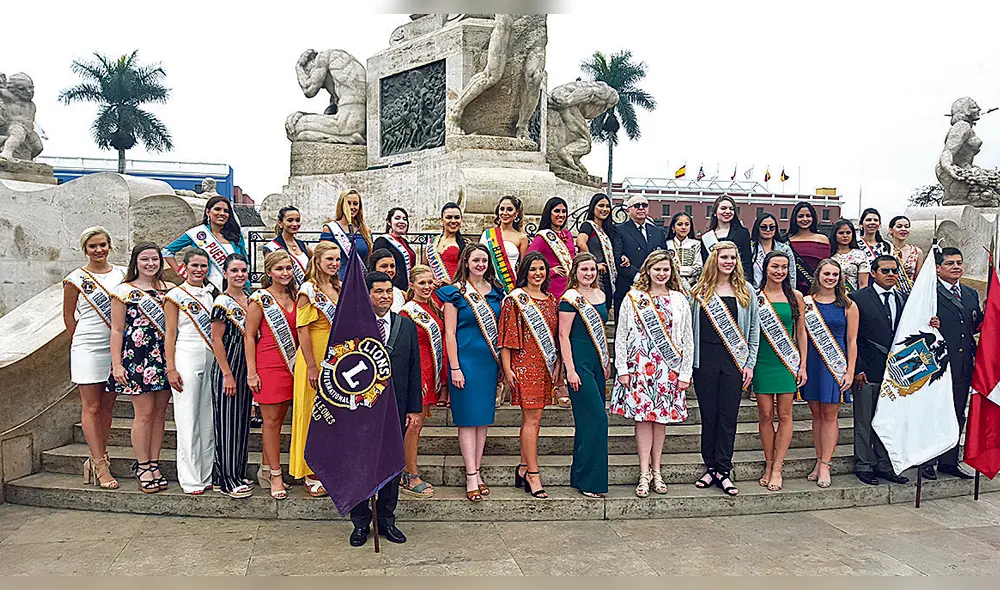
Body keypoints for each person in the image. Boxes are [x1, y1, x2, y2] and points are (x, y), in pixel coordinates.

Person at [349, 271, 422, 547]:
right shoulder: (355, 326)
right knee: (360, 466)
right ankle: (360, 522)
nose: (385, 296)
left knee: (392, 464)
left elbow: (414, 370)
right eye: (379, 291)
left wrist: (414, 409)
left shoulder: (406, 326)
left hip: (397, 407)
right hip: (363, 409)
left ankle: (388, 519)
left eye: (388, 291)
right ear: (367, 295)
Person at [612, 250, 693, 497]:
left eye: (666, 269)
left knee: (661, 420)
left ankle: (657, 470)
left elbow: (688, 339)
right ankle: (643, 472)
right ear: (648, 270)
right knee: (643, 419)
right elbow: (621, 335)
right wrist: (622, 368)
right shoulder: (634, 297)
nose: (661, 273)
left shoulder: (679, 299)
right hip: (639, 366)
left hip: (668, 368)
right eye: (657, 269)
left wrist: (685, 373)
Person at [690, 241, 760, 497]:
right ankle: (710, 467)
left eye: (733, 257)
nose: (728, 261)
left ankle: (724, 470)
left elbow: (753, 329)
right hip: (705, 359)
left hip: (734, 361)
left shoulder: (746, 291)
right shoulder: (699, 291)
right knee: (709, 417)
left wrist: (749, 363)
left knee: (728, 417)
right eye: (724, 257)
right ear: (714, 260)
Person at [437, 244, 503, 502]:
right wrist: (454, 366)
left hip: (488, 361)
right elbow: (449, 333)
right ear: (466, 262)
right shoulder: (454, 293)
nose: (480, 265)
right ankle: (470, 474)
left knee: (483, 419)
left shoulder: (496, 292)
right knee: (467, 419)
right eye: (475, 260)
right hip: (464, 361)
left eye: (484, 260)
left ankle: (477, 471)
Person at [62, 227, 126, 490]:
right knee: (91, 407)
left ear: (109, 246)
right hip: (87, 346)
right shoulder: (75, 279)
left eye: (102, 245)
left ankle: (98, 454)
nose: (98, 250)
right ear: (85, 249)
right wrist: (78, 341)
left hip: (115, 346)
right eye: (93, 246)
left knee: (108, 407)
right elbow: (68, 316)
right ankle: (100, 464)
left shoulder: (122, 274)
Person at [109, 243, 175, 493]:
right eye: (145, 259)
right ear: (135, 262)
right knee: (144, 413)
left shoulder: (170, 290)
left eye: (155, 259)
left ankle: (154, 463)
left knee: (160, 415)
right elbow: (116, 330)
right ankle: (142, 464)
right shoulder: (123, 291)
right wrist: (117, 364)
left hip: (163, 357)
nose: (150, 264)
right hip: (136, 357)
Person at [499, 251, 561, 499]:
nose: (538, 274)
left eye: (542, 269)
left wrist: (558, 366)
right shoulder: (515, 300)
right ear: (525, 271)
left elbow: (555, 338)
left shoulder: (552, 300)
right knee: (531, 419)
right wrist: (507, 368)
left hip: (545, 365)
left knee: (536, 420)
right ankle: (534, 474)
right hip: (523, 366)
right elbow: (506, 338)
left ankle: (524, 468)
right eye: (533, 269)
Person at [921, 247, 983, 480]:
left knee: (957, 412)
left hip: (964, 362)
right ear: (938, 268)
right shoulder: (928, 292)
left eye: (959, 262)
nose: (956, 267)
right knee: (933, 412)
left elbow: (974, 324)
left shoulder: (969, 293)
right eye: (950, 263)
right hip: (938, 362)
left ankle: (949, 460)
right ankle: (927, 460)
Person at [849, 255, 910, 486]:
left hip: (896, 373)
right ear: (873, 273)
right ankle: (864, 465)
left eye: (895, 271)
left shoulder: (904, 299)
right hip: (867, 370)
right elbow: (852, 338)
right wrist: (857, 368)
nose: (891, 275)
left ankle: (885, 465)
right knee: (865, 420)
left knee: (889, 420)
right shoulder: (858, 298)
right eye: (885, 270)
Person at [245, 250, 299, 500]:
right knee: (271, 422)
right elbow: (249, 336)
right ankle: (276, 474)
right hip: (268, 365)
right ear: (269, 273)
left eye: (288, 268)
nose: (285, 273)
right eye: (280, 269)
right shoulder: (260, 299)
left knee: (280, 420)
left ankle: (266, 470)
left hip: (292, 365)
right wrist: (252, 372)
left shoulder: (296, 295)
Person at [753, 251, 808, 492]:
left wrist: (802, 364)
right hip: (762, 361)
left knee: (785, 415)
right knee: (765, 415)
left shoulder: (795, 296)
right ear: (766, 268)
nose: (779, 271)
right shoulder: (755, 297)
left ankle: (778, 467)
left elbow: (801, 333)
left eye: (784, 267)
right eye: (775, 266)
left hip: (786, 361)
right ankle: (767, 463)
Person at [800, 259, 858, 488]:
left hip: (834, 365)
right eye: (827, 273)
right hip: (813, 363)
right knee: (815, 415)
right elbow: (801, 335)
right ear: (818, 275)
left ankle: (826, 464)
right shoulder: (806, 303)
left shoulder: (848, 305)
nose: (831, 278)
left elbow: (852, 341)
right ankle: (818, 460)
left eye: (835, 274)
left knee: (830, 415)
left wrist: (850, 371)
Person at [164, 249, 217, 495]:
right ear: (184, 267)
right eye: (194, 265)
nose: (199, 270)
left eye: (203, 266)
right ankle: (190, 477)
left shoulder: (210, 294)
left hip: (210, 356)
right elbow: (171, 333)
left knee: (207, 418)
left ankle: (205, 473)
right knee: (187, 419)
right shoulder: (176, 295)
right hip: (186, 355)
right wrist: (171, 366)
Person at [291, 243, 341, 497]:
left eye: (337, 259)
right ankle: (311, 471)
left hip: (336, 358)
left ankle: (330, 466)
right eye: (329, 259)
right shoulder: (307, 290)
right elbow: (302, 330)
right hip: (314, 357)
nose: (334, 263)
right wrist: (312, 366)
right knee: (313, 412)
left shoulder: (338, 287)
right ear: (317, 261)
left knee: (333, 414)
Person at [558, 253, 610, 498]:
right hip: (579, 363)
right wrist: (570, 370)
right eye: (584, 269)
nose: (589, 273)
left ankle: (579, 475)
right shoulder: (569, 299)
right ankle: (591, 481)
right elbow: (563, 336)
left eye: (592, 269)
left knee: (588, 422)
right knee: (597, 419)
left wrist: (607, 359)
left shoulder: (601, 295)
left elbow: (602, 331)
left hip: (597, 363)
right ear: (575, 271)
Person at [209, 254, 255, 498]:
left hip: (246, 364)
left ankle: (235, 472)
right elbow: (216, 339)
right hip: (229, 364)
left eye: (244, 270)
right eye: (235, 270)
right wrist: (227, 374)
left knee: (241, 422)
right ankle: (227, 479)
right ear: (225, 273)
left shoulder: (249, 300)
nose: (240, 275)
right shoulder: (221, 303)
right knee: (227, 423)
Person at [398, 265, 445, 498]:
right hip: (417, 374)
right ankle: (409, 474)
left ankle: (407, 469)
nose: (426, 287)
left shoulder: (433, 306)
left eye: (429, 282)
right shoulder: (407, 312)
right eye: (422, 283)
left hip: (430, 369)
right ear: (412, 285)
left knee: (418, 425)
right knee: (413, 426)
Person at [163, 196, 248, 291]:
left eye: (226, 211)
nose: (222, 213)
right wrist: (181, 272)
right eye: (217, 209)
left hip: (232, 287)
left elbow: (245, 261)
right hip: (204, 287)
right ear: (208, 212)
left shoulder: (235, 235)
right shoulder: (197, 233)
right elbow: (167, 251)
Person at [612, 195, 666, 317]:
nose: (641, 208)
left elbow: (664, 258)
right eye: (637, 205)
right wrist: (638, 276)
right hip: (628, 285)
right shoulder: (619, 230)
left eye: (644, 205)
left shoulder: (658, 232)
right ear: (628, 210)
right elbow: (618, 257)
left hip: (654, 286)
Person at [528, 196, 577, 300]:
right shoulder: (542, 237)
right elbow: (527, 261)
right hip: (552, 286)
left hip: (570, 286)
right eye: (556, 211)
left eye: (564, 211)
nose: (561, 215)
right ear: (549, 213)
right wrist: (551, 271)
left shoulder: (568, 235)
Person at [481, 195, 529, 294]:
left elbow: (523, 267)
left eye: (509, 209)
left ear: (516, 214)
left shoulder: (522, 238)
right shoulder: (488, 234)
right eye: (502, 209)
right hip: (487, 283)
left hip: (510, 286)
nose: (505, 213)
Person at [576, 193, 618, 304]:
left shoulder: (607, 229)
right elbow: (580, 243)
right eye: (601, 205)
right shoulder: (588, 225)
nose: (605, 209)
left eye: (607, 206)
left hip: (608, 276)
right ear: (593, 207)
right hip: (595, 277)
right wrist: (593, 265)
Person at [320, 189, 372, 274]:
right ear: (341, 205)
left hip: (361, 281)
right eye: (348, 203)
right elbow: (322, 257)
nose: (352, 207)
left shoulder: (365, 231)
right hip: (338, 281)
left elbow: (369, 260)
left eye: (355, 204)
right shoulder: (330, 229)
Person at [787, 201, 830, 294]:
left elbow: (826, 266)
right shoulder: (786, 241)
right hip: (792, 288)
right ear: (794, 218)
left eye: (808, 216)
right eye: (800, 216)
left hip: (816, 288)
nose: (805, 219)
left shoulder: (822, 239)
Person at [263, 206, 312, 286]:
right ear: (280, 223)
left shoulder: (302, 245)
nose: (295, 224)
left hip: (303, 293)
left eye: (297, 220)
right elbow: (269, 273)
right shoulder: (272, 247)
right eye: (290, 220)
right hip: (283, 291)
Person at [699, 195, 751, 267]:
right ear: (715, 212)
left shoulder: (742, 233)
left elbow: (747, 262)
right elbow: (705, 264)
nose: (728, 211)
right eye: (723, 208)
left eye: (731, 209)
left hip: (737, 276)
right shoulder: (707, 237)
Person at [747, 213, 796, 289]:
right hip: (754, 292)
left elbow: (791, 275)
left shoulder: (785, 249)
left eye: (772, 227)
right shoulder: (749, 248)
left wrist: (791, 294)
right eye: (763, 227)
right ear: (757, 228)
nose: (768, 230)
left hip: (779, 292)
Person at [373, 207, 415, 291]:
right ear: (389, 222)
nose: (402, 222)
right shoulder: (382, 241)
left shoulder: (405, 242)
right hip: (392, 288)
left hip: (407, 288)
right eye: (397, 218)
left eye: (404, 219)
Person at [425, 202, 466, 286]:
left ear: (461, 220)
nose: (453, 221)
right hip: (433, 290)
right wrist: (431, 282)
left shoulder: (466, 244)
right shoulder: (432, 243)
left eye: (457, 217)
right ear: (442, 220)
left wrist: (453, 283)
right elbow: (424, 268)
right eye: (449, 217)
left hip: (456, 290)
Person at [664, 211, 703, 294]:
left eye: (687, 224)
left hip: (691, 286)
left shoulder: (696, 244)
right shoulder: (667, 244)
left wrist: (680, 270)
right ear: (673, 227)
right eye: (680, 224)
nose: (683, 227)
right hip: (670, 285)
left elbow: (698, 268)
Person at [829, 219, 870, 292]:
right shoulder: (828, 254)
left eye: (848, 233)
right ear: (834, 235)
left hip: (852, 297)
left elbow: (863, 284)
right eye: (841, 233)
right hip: (830, 296)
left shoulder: (860, 255)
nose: (845, 236)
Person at [887, 215, 923, 295]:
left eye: (906, 227)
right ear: (891, 230)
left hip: (910, 295)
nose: (903, 229)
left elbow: (918, 279)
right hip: (890, 294)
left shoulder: (917, 252)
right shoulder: (886, 250)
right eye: (899, 226)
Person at [857, 208, 891, 277]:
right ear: (861, 224)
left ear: (879, 224)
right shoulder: (855, 243)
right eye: (868, 220)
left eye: (875, 220)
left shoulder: (887, 246)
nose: (872, 222)